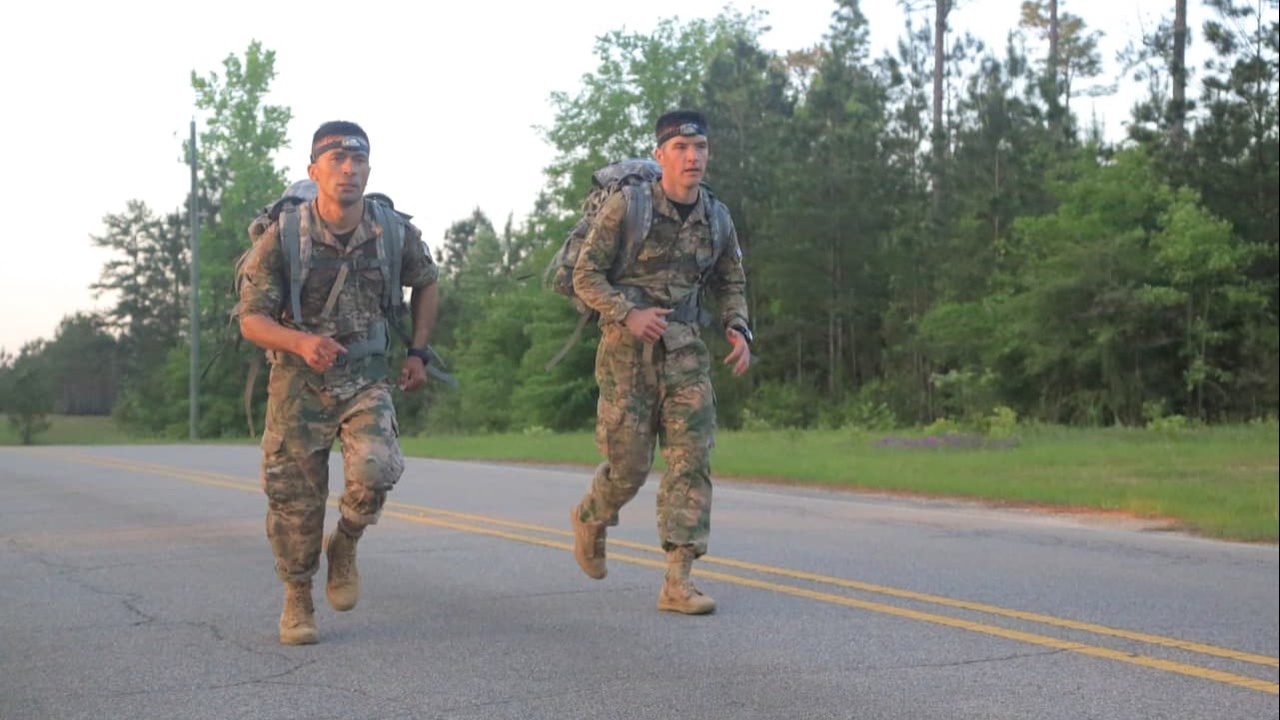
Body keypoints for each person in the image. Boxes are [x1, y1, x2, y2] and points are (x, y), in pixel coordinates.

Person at [236, 120, 440, 644]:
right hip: (298, 384)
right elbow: (251, 320)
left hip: (365, 378)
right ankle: (298, 597)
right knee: (294, 502)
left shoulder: (391, 230)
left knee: (376, 468)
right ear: (315, 170)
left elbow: (426, 281)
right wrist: (301, 343)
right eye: (337, 160)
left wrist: (418, 351)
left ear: (368, 170)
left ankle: (345, 541)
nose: (349, 169)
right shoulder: (285, 236)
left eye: (358, 161)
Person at [568, 110, 753, 615]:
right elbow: (585, 275)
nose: (693, 157)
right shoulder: (629, 207)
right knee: (628, 467)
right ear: (661, 155)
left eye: (700, 148)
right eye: (681, 148)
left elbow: (731, 281)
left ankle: (679, 579)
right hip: (626, 354)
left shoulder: (716, 217)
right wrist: (628, 314)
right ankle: (591, 516)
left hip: (686, 353)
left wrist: (738, 326)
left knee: (691, 460)